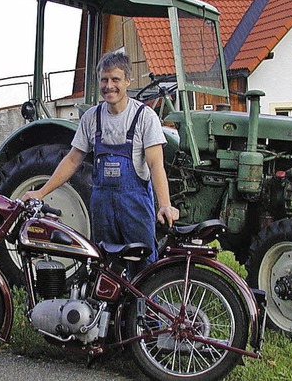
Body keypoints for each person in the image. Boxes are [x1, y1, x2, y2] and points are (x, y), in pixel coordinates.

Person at [23, 51, 178, 271]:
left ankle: (142, 305)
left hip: (135, 206)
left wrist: (164, 204)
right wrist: (40, 192)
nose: (109, 86)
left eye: (115, 79)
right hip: (102, 207)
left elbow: (156, 165)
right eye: (104, 79)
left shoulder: (144, 117)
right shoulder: (92, 118)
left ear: (127, 81)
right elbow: (72, 160)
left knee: (143, 268)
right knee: (105, 266)